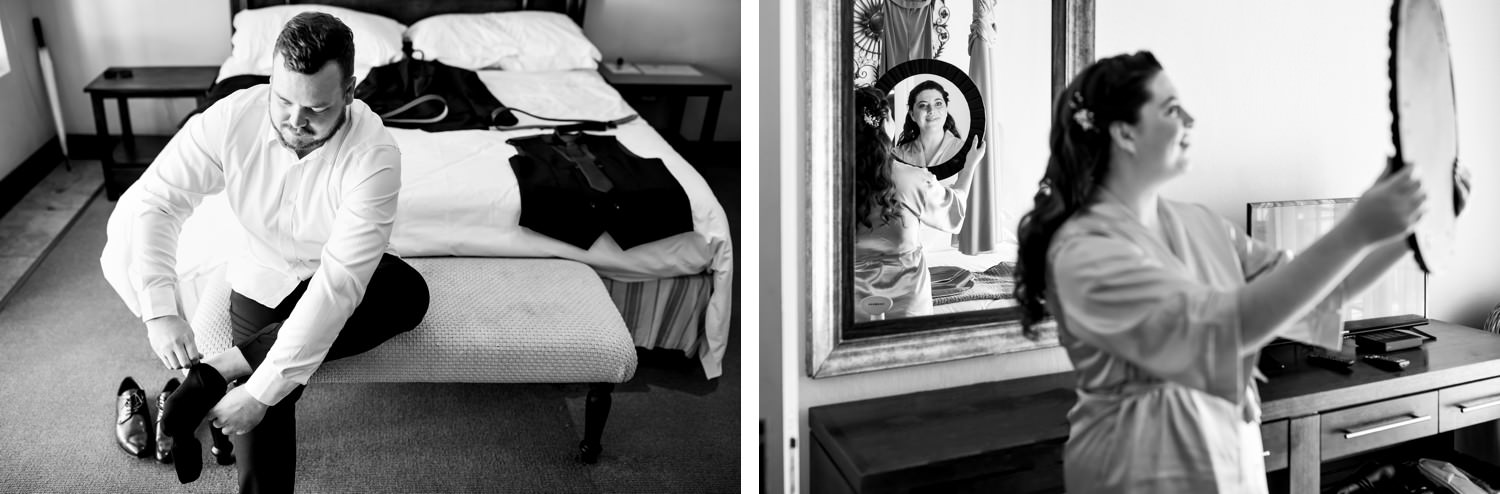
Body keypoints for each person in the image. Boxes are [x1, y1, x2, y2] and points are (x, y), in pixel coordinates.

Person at [1012, 51, 1432, 492]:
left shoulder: (1201, 223)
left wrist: (1407, 231)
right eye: (1172, 108)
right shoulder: (1084, 253)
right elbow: (1221, 329)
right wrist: (1359, 226)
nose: (1191, 119)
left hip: (1229, 463)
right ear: (1125, 134)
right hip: (1140, 471)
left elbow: (1321, 294)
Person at [99, 12, 429, 493]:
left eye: (316, 109)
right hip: (263, 278)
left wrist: (257, 387)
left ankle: (223, 366)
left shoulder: (375, 155)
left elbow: (338, 286)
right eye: (283, 99)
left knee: (407, 293)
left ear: (350, 92)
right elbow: (155, 199)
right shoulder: (232, 117)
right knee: (272, 410)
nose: (295, 122)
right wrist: (159, 310)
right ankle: (225, 391)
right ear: (271, 78)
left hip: (337, 273)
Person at [852, 86, 984, 320]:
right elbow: (955, 212)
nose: (931, 111)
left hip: (852, 302)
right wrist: (970, 167)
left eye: (938, 104)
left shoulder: (829, 183)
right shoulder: (911, 178)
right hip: (908, 304)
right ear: (885, 124)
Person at [891, 79, 970, 175]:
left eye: (938, 104)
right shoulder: (898, 154)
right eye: (923, 105)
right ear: (912, 115)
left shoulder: (964, 151)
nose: (931, 110)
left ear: (946, 110)